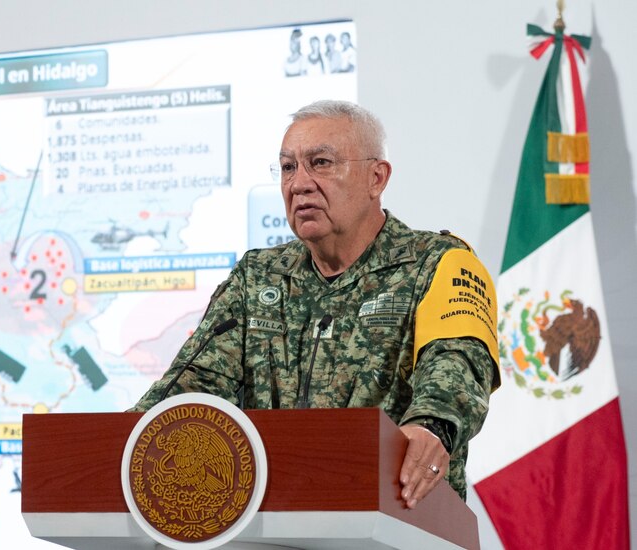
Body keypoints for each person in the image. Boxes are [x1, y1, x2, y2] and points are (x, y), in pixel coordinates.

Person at [131, 100, 499, 507]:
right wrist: (124, 441)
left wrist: (432, 427)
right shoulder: (258, 277)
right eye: (288, 168)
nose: (299, 183)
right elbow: (191, 387)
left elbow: (458, 365)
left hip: (399, 514)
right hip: (274, 520)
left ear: (376, 178)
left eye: (320, 163)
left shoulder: (438, 262)